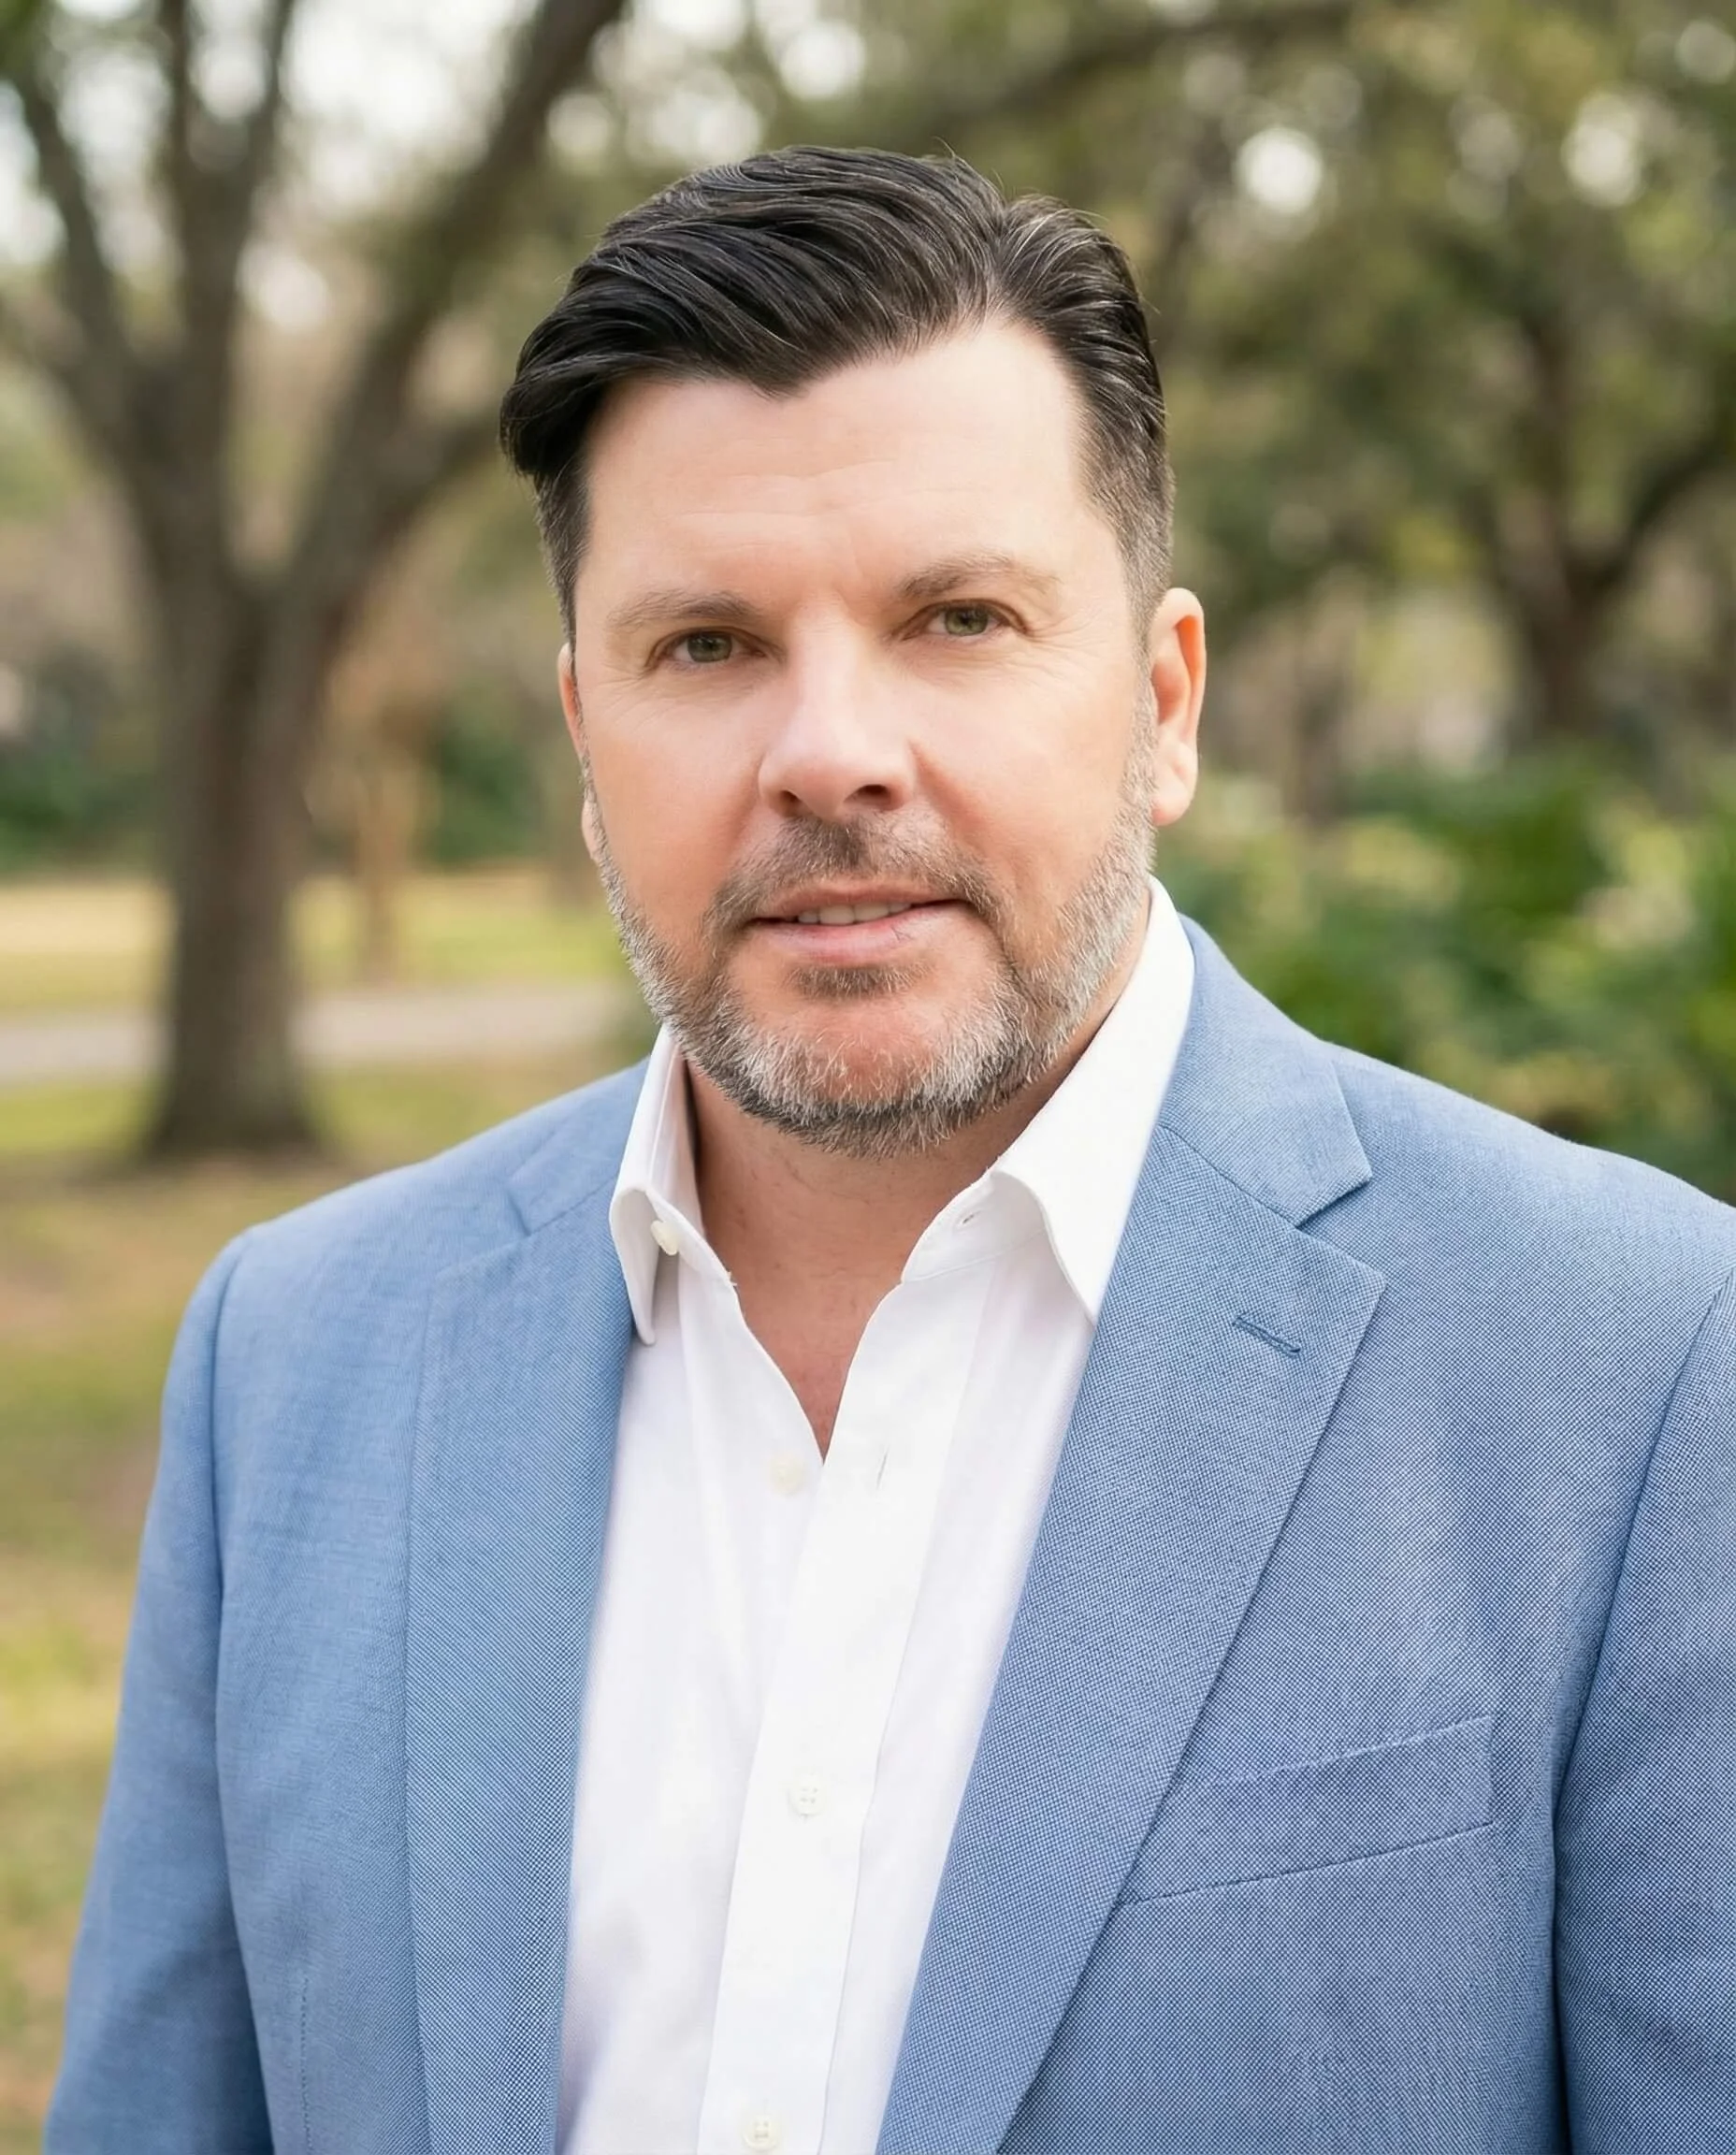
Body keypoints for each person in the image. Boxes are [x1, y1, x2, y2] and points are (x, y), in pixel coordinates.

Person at [50, 147, 1734, 2155]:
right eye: (707, 646)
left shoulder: (1636, 1371)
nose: (828, 750)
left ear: (1164, 702)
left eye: (954, 617)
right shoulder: (297, 1361)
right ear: (584, 743)